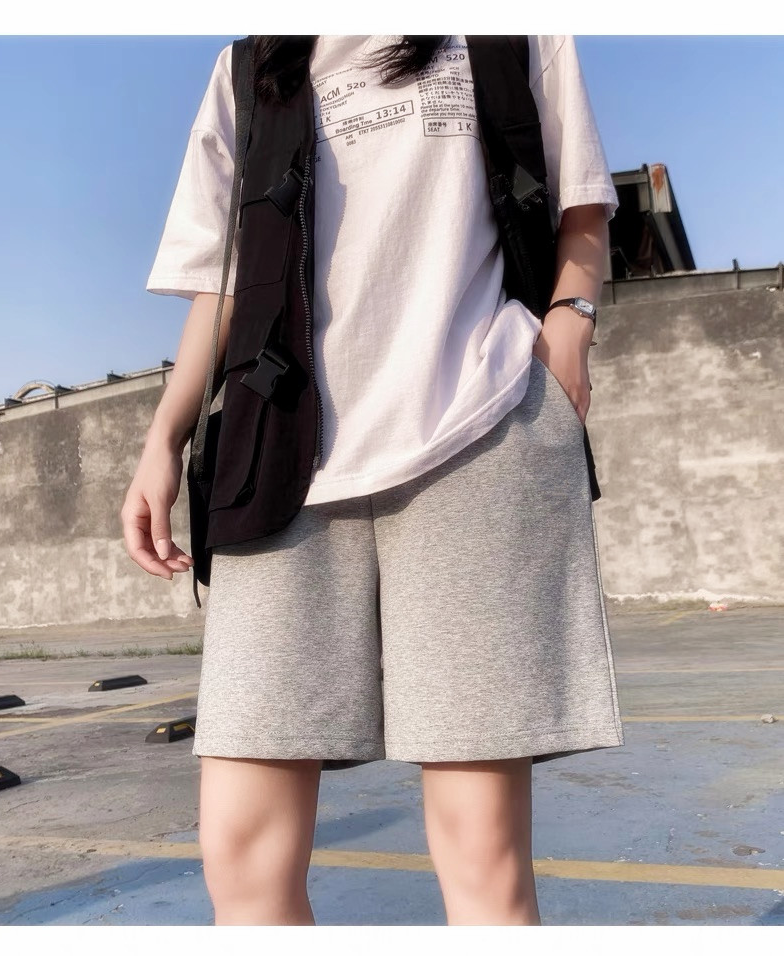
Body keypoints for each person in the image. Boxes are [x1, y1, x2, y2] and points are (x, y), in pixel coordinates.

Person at [123, 34, 625, 927]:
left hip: (478, 438)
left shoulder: (510, 32)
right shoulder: (250, 67)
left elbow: (582, 202)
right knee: (239, 853)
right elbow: (219, 283)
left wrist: (570, 327)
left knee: (482, 852)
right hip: (280, 459)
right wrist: (164, 437)